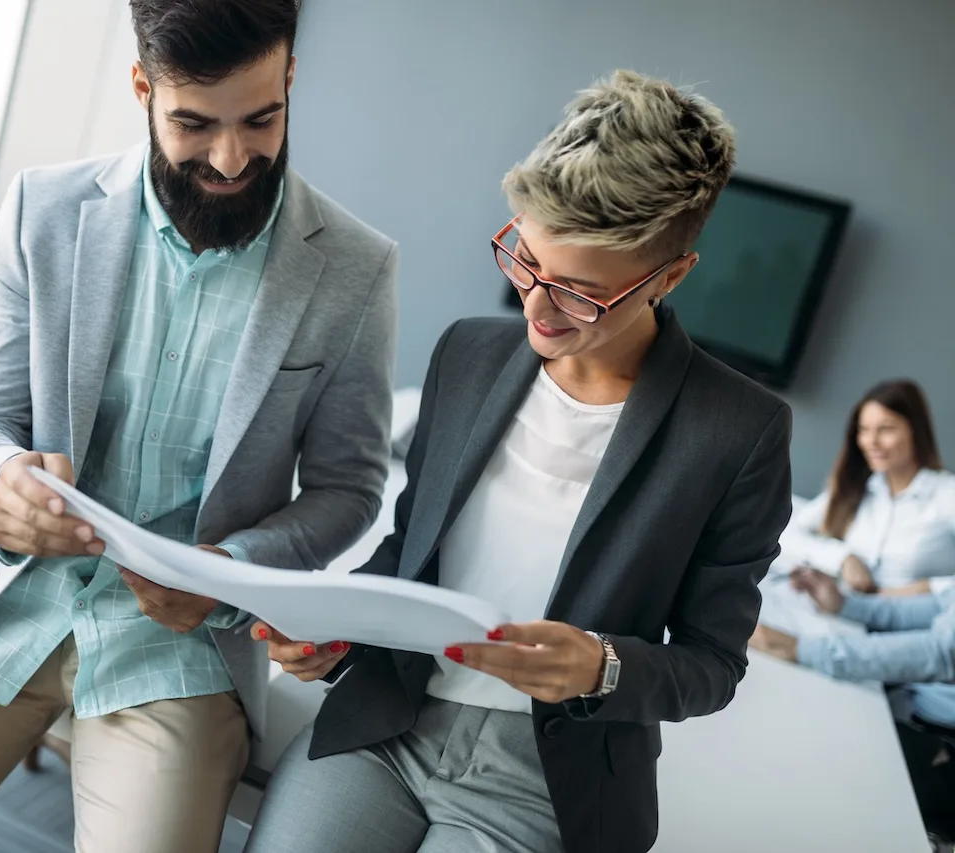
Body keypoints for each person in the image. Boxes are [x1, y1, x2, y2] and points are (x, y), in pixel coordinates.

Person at [0, 1, 398, 851]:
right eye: (192, 122)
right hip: (1, 605)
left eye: (261, 119)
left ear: (290, 79)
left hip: (180, 653)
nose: (229, 158)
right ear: (142, 88)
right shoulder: (43, 208)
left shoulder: (357, 268)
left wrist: (233, 570)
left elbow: (348, 488)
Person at [244, 70, 792, 853]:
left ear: (670, 277)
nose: (534, 307)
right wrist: (340, 631)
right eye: (524, 258)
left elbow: (712, 664)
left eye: (579, 294)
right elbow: (409, 555)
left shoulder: (741, 430)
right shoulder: (467, 351)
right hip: (386, 725)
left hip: (547, 774)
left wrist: (600, 666)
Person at [750, 567, 955, 841]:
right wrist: (845, 605)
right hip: (910, 699)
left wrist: (797, 648)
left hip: (940, 740)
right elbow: (930, 609)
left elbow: (939, 652)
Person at [780, 380, 955, 595]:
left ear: (916, 431)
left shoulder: (947, 494)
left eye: (886, 429)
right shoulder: (858, 487)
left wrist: (928, 589)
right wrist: (843, 558)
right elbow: (786, 533)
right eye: (863, 430)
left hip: (913, 624)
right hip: (839, 614)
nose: (871, 441)